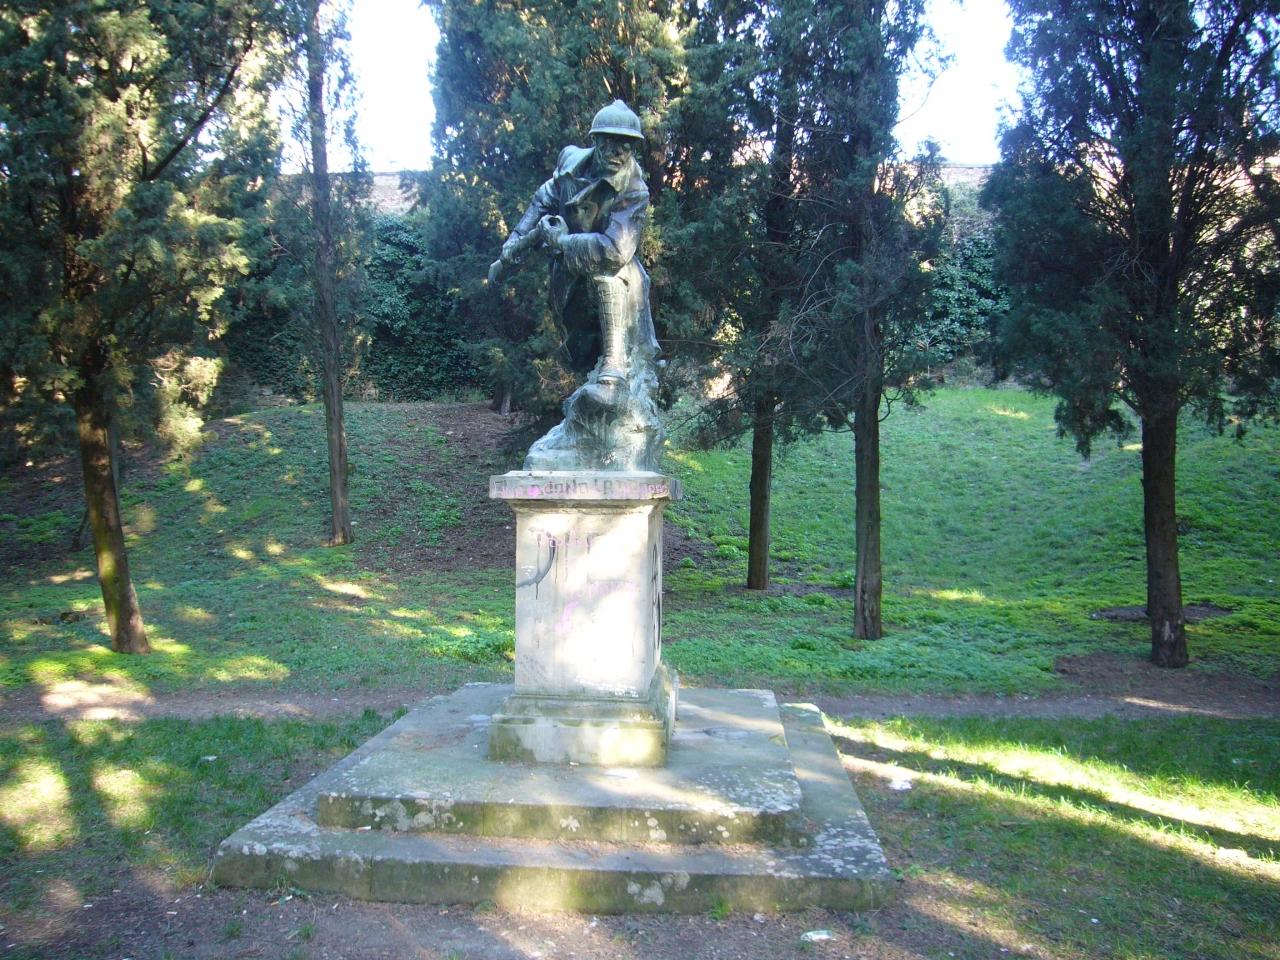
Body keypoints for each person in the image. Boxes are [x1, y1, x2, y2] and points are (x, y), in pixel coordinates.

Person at [489, 99, 659, 386]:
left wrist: (563, 241)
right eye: (610, 142)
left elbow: (615, 251)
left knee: (611, 276)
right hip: (570, 273)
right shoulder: (570, 161)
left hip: (615, 275)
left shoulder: (634, 190)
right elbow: (544, 199)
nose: (618, 152)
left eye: (627, 145)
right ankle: (597, 376)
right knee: (580, 350)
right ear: (596, 140)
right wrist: (514, 243)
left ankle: (615, 363)